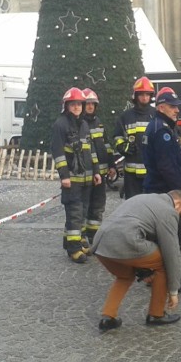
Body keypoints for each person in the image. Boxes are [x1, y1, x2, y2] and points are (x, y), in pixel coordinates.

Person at [92, 190, 181, 331]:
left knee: (125, 276)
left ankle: (108, 317)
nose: (179, 216)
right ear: (178, 203)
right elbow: (171, 252)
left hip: (100, 243)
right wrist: (174, 291)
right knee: (164, 263)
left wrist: (143, 271)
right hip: (127, 241)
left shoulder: (143, 198)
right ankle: (156, 314)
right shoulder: (168, 211)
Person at [142, 88, 181, 293]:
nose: (177, 110)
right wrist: (179, 192)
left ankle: (157, 275)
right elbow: (166, 167)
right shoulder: (162, 130)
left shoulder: (157, 126)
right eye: (173, 106)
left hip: (157, 190)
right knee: (172, 237)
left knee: (162, 236)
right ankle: (172, 279)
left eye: (177, 107)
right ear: (161, 107)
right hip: (165, 192)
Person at [51, 87, 101, 263]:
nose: (77, 107)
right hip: (72, 179)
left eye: (79, 104)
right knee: (74, 213)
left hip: (86, 179)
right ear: (66, 106)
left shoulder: (84, 124)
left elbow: (91, 151)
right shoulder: (61, 124)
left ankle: (73, 241)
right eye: (73, 104)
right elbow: (58, 153)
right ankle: (74, 250)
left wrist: (96, 172)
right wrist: (64, 175)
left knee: (83, 212)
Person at [113, 77, 156, 199]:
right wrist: (123, 147)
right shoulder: (126, 116)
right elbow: (117, 136)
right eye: (141, 94)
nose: (144, 97)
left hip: (152, 172)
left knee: (151, 205)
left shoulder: (156, 114)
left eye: (147, 94)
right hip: (131, 173)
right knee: (132, 205)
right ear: (136, 96)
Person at [81, 88, 114, 245]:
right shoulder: (79, 124)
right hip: (87, 174)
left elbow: (106, 144)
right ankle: (81, 237)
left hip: (101, 173)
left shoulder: (99, 123)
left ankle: (94, 237)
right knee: (84, 206)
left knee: (98, 205)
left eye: (92, 104)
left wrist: (112, 164)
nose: (89, 107)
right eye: (87, 104)